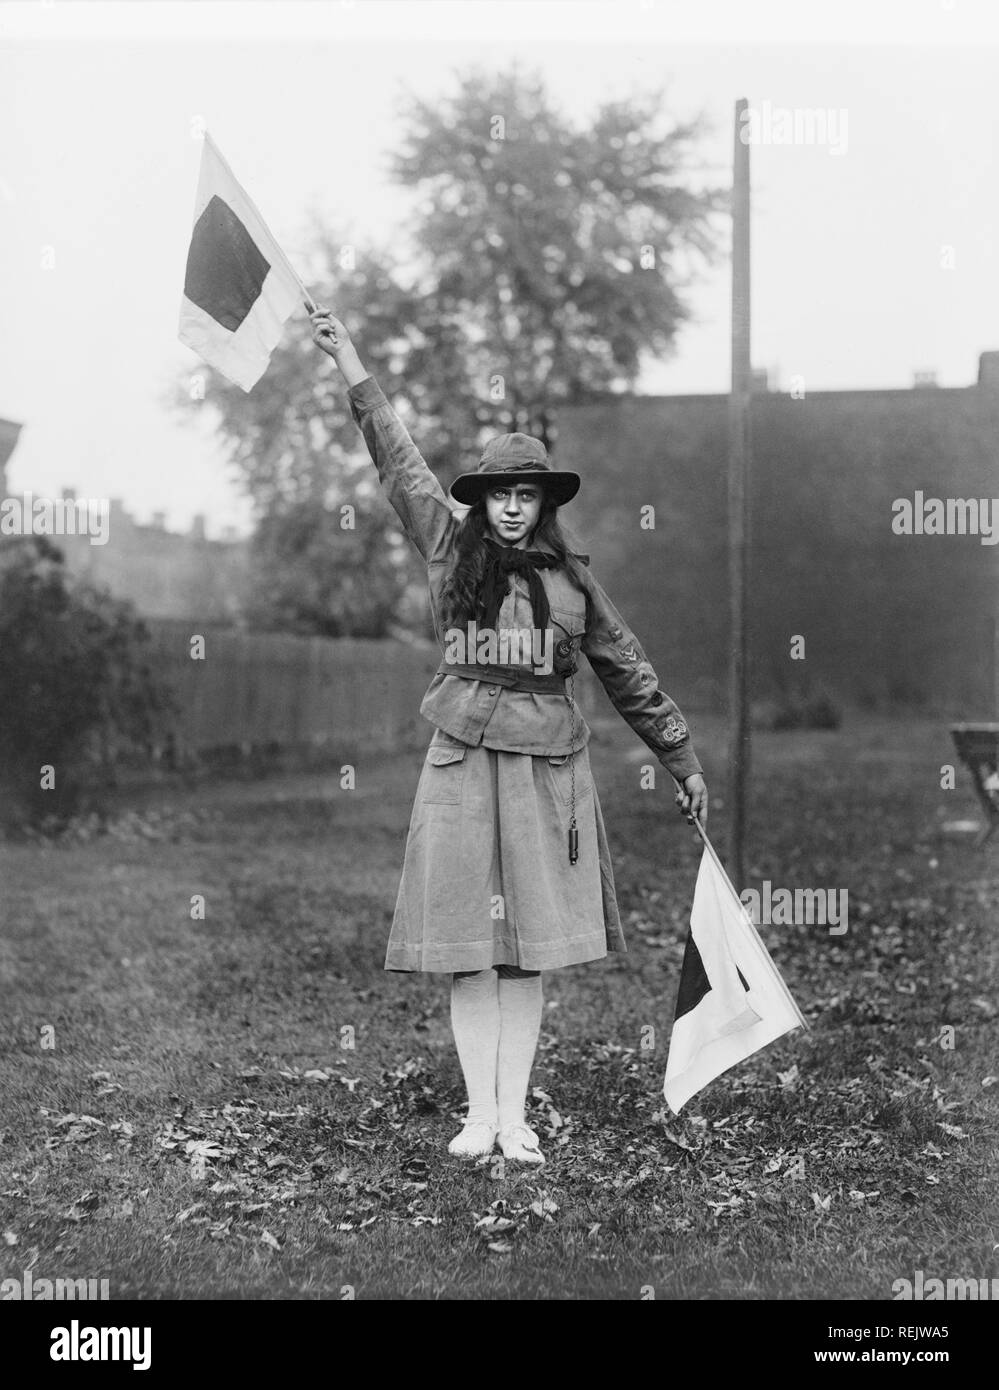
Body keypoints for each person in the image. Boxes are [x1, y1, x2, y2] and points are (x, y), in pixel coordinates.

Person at [310, 307, 708, 1166]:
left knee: (525, 952)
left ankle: (516, 1116)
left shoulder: (573, 583)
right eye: (501, 493)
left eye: (527, 494)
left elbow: (625, 667)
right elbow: (398, 461)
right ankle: (478, 1113)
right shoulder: (447, 550)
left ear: (544, 502)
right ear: (482, 500)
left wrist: (677, 755)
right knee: (466, 944)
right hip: (458, 760)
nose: (514, 508)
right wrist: (350, 363)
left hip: (546, 771)